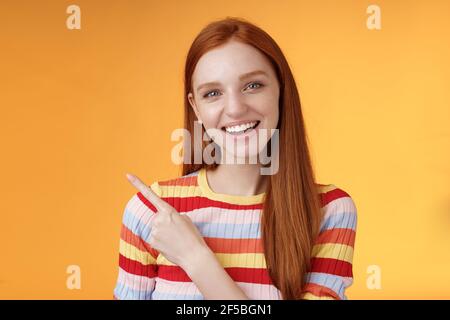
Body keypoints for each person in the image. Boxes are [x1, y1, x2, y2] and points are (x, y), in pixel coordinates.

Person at [113, 16, 357, 300]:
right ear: (197, 108)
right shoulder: (152, 213)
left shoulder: (329, 211)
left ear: (281, 89)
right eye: (213, 93)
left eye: (252, 85)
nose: (235, 108)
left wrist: (196, 259)